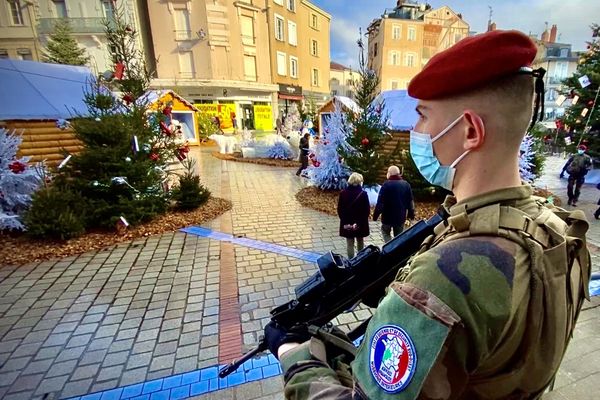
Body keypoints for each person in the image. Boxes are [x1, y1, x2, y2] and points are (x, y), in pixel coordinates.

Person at [264, 30, 591, 399]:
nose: (417, 131)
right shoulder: (556, 227)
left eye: (422, 117)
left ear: (470, 131)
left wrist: (295, 356)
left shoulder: (444, 274)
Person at [373, 165, 415, 242]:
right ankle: (396, 250)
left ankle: (389, 248)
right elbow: (410, 202)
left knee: (385, 233)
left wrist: (375, 215)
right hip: (400, 216)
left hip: (387, 217)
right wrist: (411, 214)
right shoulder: (406, 185)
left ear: (390, 173)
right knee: (398, 236)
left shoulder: (386, 185)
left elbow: (380, 203)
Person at [337, 173, 371, 258]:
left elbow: (339, 209)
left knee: (349, 243)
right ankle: (360, 259)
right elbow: (366, 210)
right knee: (360, 241)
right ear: (360, 182)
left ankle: (351, 261)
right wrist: (361, 222)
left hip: (347, 222)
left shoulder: (343, 193)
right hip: (360, 222)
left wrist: (344, 219)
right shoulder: (363, 194)